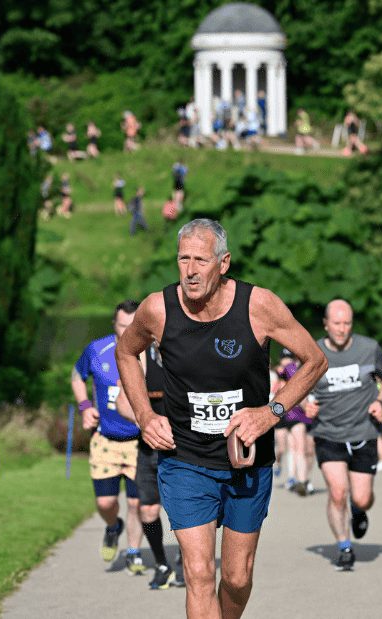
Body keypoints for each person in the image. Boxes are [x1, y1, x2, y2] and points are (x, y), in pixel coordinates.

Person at [115, 218, 327, 618]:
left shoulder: (259, 305)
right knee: (198, 573)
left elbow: (315, 360)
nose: (191, 271)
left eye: (201, 260)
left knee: (236, 578)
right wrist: (145, 415)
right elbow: (126, 352)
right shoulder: (158, 309)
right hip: (185, 459)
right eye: (183, 259)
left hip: (246, 460)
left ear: (223, 263)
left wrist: (271, 412)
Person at [303, 299, 382, 571]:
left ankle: (359, 510)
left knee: (362, 497)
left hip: (363, 431)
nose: (342, 329)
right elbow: (298, 386)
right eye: (336, 323)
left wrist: (380, 400)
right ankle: (344, 545)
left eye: (347, 323)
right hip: (328, 432)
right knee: (338, 492)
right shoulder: (313, 352)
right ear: (326, 324)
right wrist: (306, 402)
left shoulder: (369, 348)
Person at [70, 301, 145, 572]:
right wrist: (85, 407)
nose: (128, 332)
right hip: (106, 439)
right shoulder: (97, 350)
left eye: (133, 326)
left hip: (140, 441)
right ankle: (113, 526)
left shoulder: (151, 351)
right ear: (114, 324)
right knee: (106, 502)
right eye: (123, 326)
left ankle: (134, 551)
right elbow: (77, 376)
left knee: (137, 503)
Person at [114, 342, 185, 589]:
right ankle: (162, 564)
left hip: (185, 448)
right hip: (149, 447)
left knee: (186, 510)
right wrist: (146, 420)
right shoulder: (141, 356)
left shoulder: (189, 350)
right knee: (148, 510)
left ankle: (187, 561)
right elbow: (122, 400)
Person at [274, 349, 315, 496]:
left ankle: (299, 479)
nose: (287, 361)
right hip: (294, 414)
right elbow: (296, 391)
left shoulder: (307, 368)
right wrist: (306, 407)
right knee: (297, 448)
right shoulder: (290, 369)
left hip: (302, 415)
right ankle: (300, 480)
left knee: (302, 449)